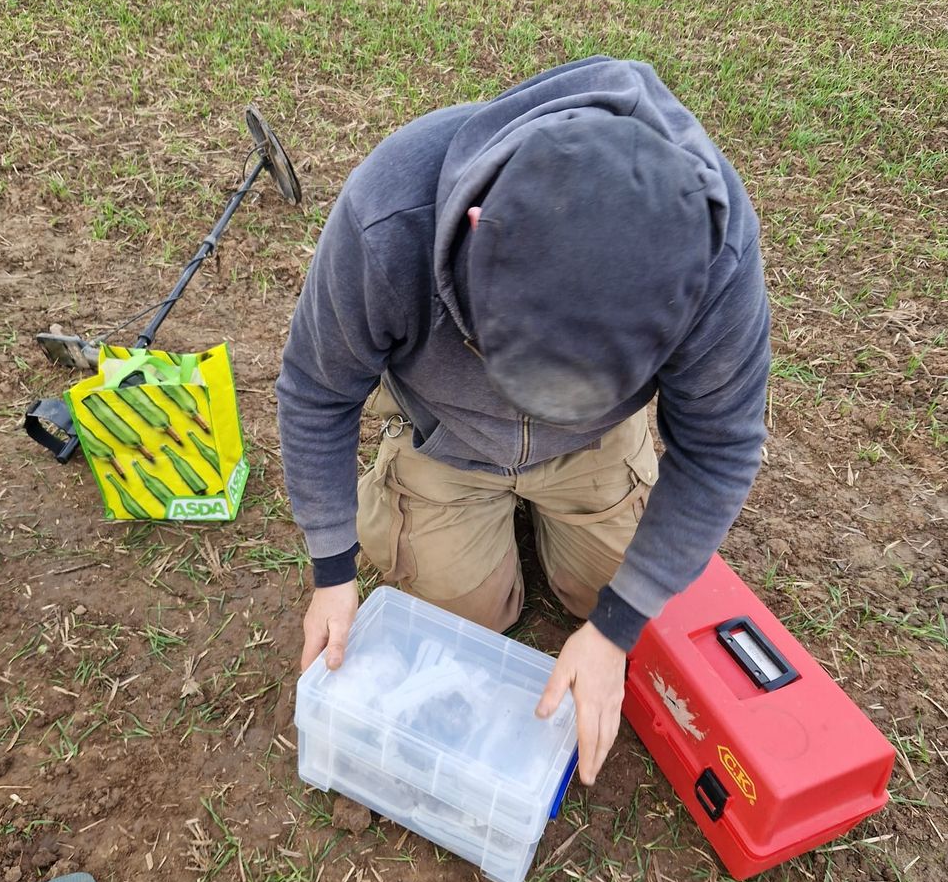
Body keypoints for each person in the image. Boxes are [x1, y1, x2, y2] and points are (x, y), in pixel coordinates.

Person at [276, 57, 770, 786]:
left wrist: (613, 628)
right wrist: (331, 570)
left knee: (623, 599)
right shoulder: (388, 215)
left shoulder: (711, 258)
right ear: (478, 232)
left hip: (595, 443)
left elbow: (722, 449)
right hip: (449, 435)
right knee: (462, 616)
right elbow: (316, 390)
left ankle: (583, 496)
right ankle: (426, 483)